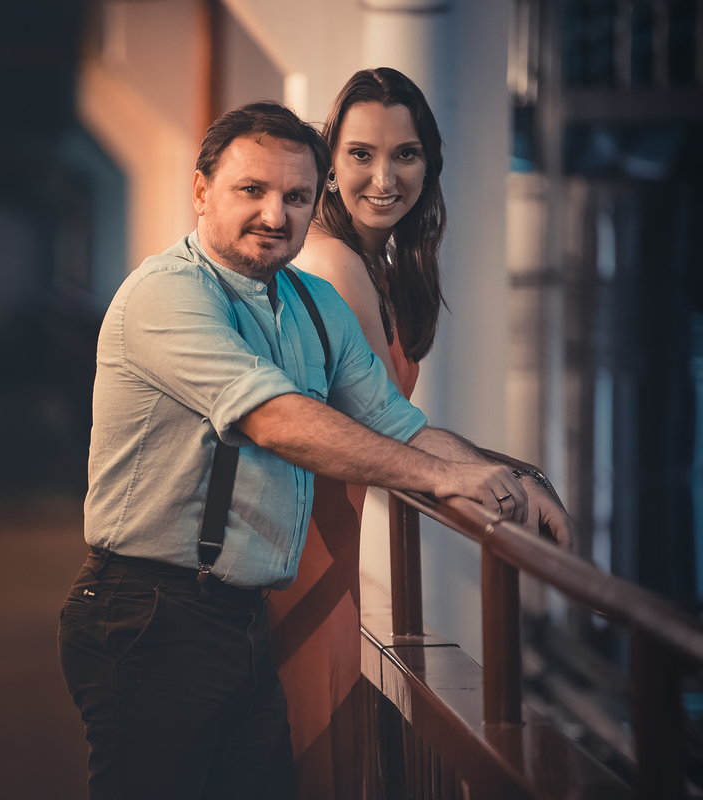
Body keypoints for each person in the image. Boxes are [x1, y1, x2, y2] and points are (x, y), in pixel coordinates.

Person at [57, 100, 570, 800]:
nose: (276, 214)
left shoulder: (310, 304)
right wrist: (441, 478)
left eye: (296, 197)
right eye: (252, 191)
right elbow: (275, 419)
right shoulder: (165, 296)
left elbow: (396, 421)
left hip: (241, 620)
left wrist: (497, 473)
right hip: (149, 614)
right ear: (202, 192)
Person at [264, 67, 572, 799]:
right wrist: (511, 476)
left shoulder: (377, 262)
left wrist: (514, 470)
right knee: (310, 763)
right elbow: (391, 432)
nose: (383, 176)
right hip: (301, 553)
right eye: (361, 154)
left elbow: (397, 424)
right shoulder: (334, 266)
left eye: (405, 154)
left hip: (328, 547)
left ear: (429, 164)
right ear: (330, 164)